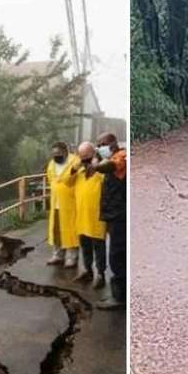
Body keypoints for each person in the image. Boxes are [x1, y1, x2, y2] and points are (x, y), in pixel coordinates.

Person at [90, 132, 126, 310]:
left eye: (101, 144)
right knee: (118, 255)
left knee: (117, 256)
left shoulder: (121, 156)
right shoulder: (114, 157)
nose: (99, 148)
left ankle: (119, 298)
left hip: (120, 215)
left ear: (112, 143)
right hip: (114, 215)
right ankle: (118, 295)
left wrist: (95, 162)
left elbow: (106, 166)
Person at [66, 141, 107, 289]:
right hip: (82, 218)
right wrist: (74, 168)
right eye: (82, 158)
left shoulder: (101, 174)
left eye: (87, 158)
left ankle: (101, 274)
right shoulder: (79, 174)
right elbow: (67, 183)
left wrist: (98, 165)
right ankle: (87, 270)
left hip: (97, 219)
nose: (85, 162)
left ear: (94, 156)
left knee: (99, 249)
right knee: (86, 247)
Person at [45, 141, 79, 268]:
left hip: (71, 203)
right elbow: (50, 179)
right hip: (56, 203)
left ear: (66, 152)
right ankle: (58, 255)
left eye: (59, 153)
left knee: (70, 231)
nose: (56, 156)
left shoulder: (75, 162)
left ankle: (72, 257)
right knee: (56, 231)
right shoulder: (51, 164)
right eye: (54, 154)